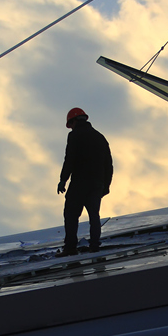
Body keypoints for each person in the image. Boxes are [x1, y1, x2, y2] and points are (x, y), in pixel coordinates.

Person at [57, 107, 113, 256]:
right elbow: (109, 164)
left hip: (80, 183)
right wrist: (106, 185)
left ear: (74, 121)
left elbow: (70, 159)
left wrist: (63, 180)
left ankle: (70, 248)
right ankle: (94, 246)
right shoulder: (100, 137)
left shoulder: (75, 135)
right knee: (94, 215)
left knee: (71, 214)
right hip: (97, 184)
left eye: (71, 124)